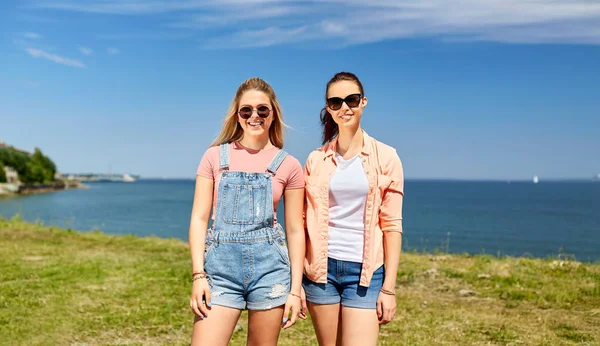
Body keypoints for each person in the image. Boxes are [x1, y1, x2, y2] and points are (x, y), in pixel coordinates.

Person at [188, 77, 306, 346]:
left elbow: (295, 230)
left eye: (262, 109)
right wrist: (198, 276)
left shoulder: (289, 165)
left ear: (273, 113)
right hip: (220, 274)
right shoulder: (214, 157)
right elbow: (199, 219)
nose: (255, 116)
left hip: (271, 272)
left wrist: (295, 290)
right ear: (238, 116)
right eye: (247, 110)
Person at [301, 72, 405, 345]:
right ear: (328, 108)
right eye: (335, 102)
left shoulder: (387, 157)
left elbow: (392, 225)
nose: (344, 107)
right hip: (320, 272)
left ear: (363, 102)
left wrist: (390, 289)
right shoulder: (315, 159)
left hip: (366, 274)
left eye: (351, 99)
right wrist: (295, 286)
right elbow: (301, 223)